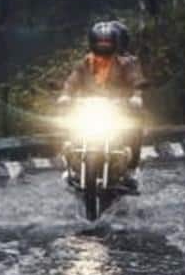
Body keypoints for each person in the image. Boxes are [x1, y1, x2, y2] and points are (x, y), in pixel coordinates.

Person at [59, 20, 146, 188]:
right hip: (89, 110)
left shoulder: (126, 63)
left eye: (107, 42)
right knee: (69, 126)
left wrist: (136, 96)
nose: (103, 46)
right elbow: (72, 80)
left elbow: (136, 80)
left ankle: (130, 169)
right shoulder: (85, 62)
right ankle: (72, 165)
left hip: (117, 110)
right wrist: (66, 95)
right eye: (100, 42)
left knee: (134, 128)